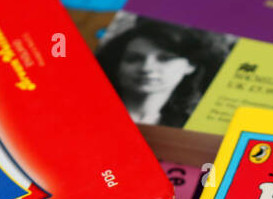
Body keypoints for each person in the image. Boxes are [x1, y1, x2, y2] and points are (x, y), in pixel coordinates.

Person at [96, 17, 229, 127]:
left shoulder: (190, 126)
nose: (146, 68)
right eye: (133, 59)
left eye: (165, 59)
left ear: (190, 66)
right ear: (117, 65)